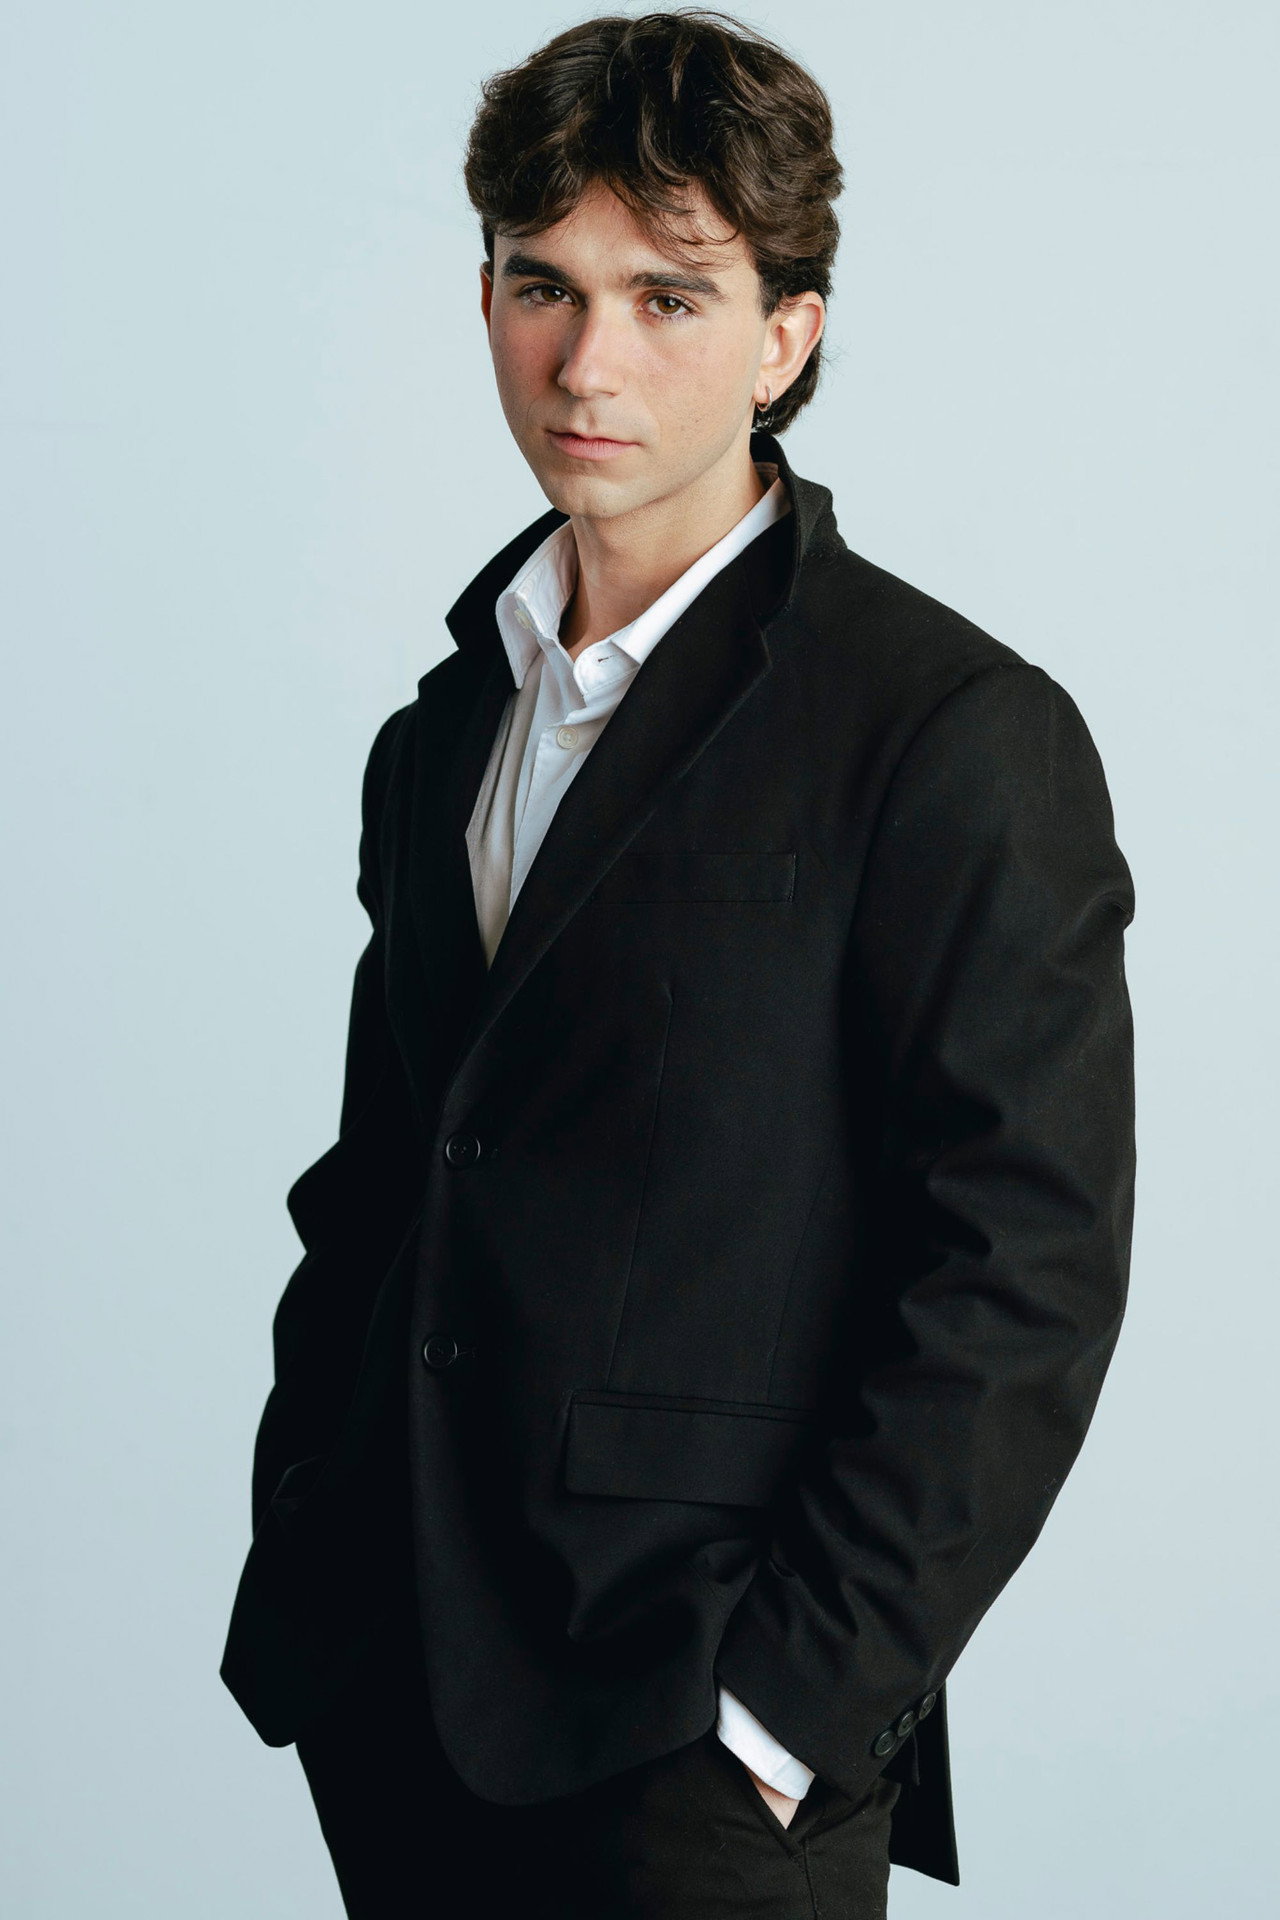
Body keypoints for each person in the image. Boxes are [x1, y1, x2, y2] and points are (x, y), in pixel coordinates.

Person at [219, 11, 1137, 1916]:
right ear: (485, 296)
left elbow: (1022, 1270)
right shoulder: (444, 731)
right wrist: (308, 1521)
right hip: (390, 1688)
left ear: (786, 336)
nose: (589, 361)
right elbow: (394, 1173)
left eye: (668, 296)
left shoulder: (949, 730)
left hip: (694, 1743)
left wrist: (790, 1712)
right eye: (543, 286)